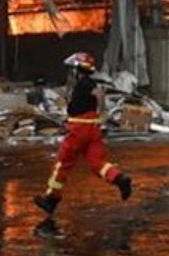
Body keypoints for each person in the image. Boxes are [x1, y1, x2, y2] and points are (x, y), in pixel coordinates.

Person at [33, 52, 132, 217]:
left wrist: (103, 112)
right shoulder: (88, 82)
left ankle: (51, 199)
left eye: (72, 69)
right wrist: (100, 117)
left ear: (77, 69)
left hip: (80, 129)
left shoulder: (84, 83)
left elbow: (99, 94)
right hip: (92, 128)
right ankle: (119, 179)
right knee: (97, 163)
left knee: (63, 164)